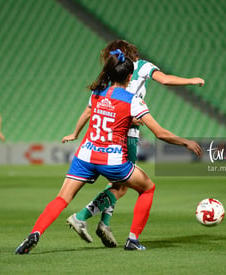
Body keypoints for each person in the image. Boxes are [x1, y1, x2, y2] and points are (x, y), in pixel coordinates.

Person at [15, 50, 202, 254]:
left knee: (62, 198)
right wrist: (185, 142)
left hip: (85, 155)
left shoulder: (96, 93)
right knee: (147, 188)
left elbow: (96, 113)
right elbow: (159, 133)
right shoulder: (133, 100)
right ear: (130, 77)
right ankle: (132, 239)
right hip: (112, 160)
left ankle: (35, 234)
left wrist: (76, 133)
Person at [63, 40, 205, 247]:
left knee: (118, 183)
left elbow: (89, 108)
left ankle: (104, 223)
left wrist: (76, 133)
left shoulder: (114, 71)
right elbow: (164, 80)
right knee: (123, 186)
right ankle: (83, 216)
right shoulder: (142, 66)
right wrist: (191, 81)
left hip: (111, 128)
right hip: (127, 131)